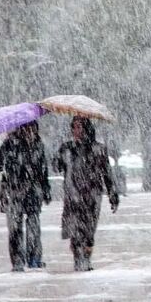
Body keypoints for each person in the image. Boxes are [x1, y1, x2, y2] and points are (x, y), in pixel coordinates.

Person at [54, 116, 119, 271]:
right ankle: (78, 259)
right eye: (74, 127)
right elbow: (57, 167)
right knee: (75, 229)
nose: (76, 131)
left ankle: (87, 258)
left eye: (79, 127)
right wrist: (59, 158)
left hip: (92, 195)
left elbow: (106, 173)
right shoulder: (67, 148)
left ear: (87, 129)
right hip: (73, 194)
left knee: (89, 229)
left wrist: (112, 194)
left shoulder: (98, 149)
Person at [0, 122, 51, 271]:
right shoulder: (10, 144)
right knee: (15, 228)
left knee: (33, 226)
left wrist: (46, 189)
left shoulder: (38, 145)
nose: (30, 132)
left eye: (32, 129)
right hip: (15, 191)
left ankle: (33, 258)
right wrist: (8, 155)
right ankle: (19, 261)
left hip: (32, 191)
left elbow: (43, 170)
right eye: (27, 128)